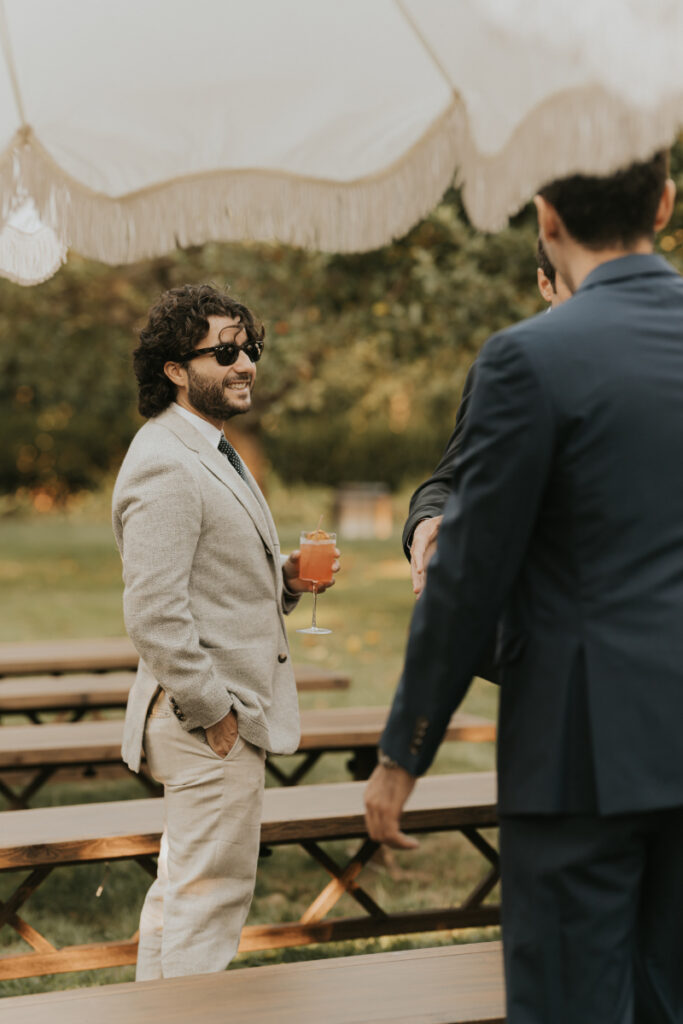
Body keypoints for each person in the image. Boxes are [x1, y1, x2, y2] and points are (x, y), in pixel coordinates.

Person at [365, 152, 683, 1022]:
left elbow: (466, 578)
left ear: (545, 218)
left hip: (578, 754)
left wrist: (403, 753)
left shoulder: (528, 358)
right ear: (664, 201)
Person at [113, 284, 337, 980]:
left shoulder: (204, 448)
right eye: (226, 351)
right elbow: (153, 610)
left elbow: (206, 571)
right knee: (207, 904)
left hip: (216, 717)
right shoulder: (166, 460)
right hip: (206, 721)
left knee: (181, 897)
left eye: (250, 350)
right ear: (176, 369)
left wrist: (282, 574)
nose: (246, 365)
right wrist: (215, 714)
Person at [404, 239, 570, 600]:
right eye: (578, 287)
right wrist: (426, 522)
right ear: (546, 285)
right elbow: (449, 480)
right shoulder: (503, 370)